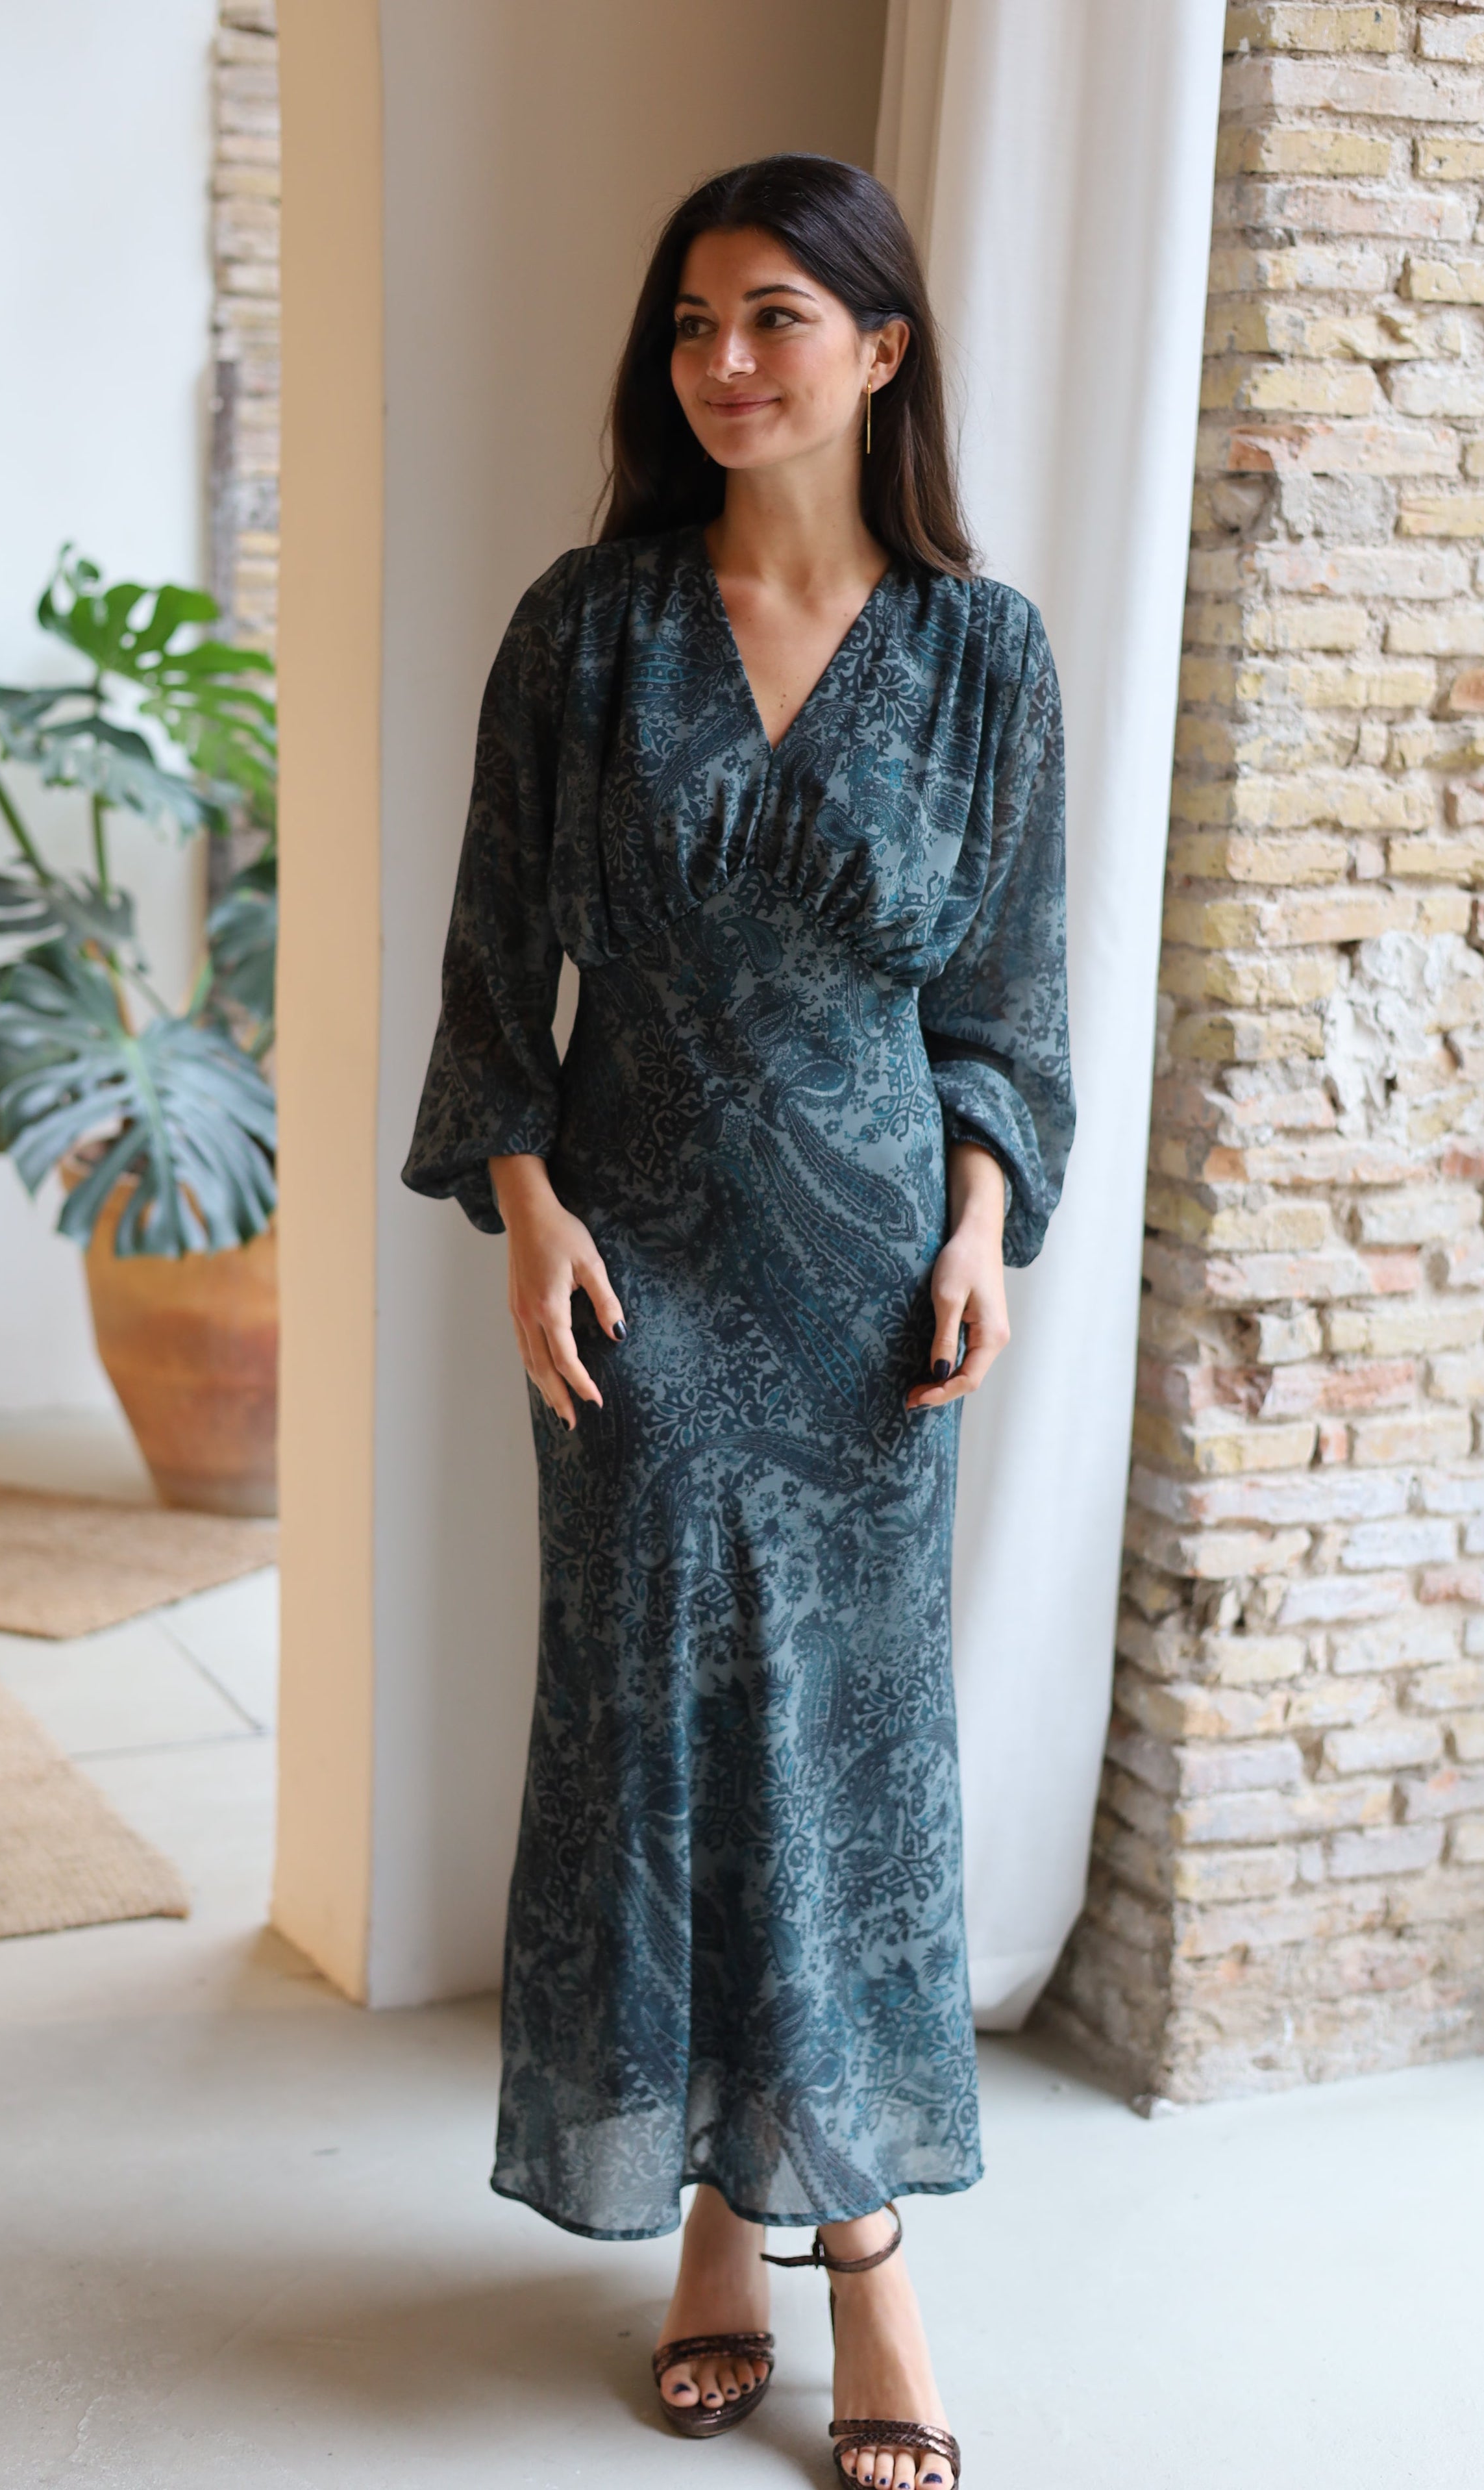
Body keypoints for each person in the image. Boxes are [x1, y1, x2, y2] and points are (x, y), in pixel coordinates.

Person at [402, 151, 1072, 2490]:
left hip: (875, 1289)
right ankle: (793, 2227)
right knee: (663, 1739)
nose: (722, 361)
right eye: (693, 322)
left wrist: (982, 1228)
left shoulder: (984, 655)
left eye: (775, 316)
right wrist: (522, 1210)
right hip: (635, 1265)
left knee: (848, 1759)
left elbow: (1008, 1015)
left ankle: (796, 2231)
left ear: (880, 350)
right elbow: (495, 963)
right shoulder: (587, 629)